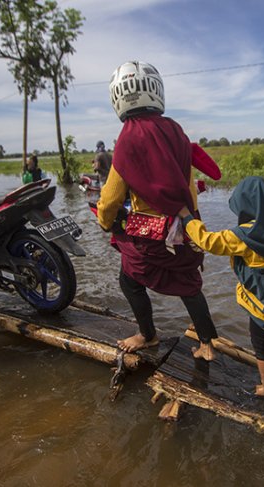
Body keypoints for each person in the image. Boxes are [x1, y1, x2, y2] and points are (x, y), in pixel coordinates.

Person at [97, 60, 218, 360]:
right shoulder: (175, 130)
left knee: (129, 279)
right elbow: (186, 181)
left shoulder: (128, 137)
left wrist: (104, 220)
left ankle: (148, 335)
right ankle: (206, 344)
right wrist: (191, 221)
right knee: (188, 283)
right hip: (186, 222)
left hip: (151, 235)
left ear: (118, 97)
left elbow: (111, 199)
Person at [178, 176, 264, 396]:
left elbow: (208, 241)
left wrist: (187, 218)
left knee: (259, 341)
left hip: (263, 297)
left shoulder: (245, 234)